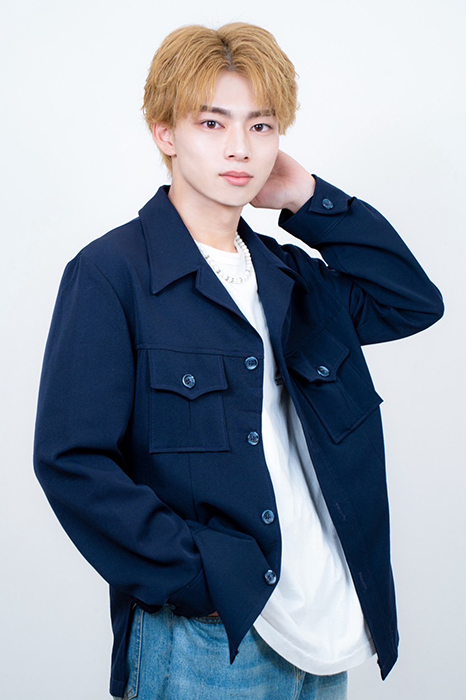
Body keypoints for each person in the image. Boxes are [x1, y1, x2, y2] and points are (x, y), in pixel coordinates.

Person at [33, 22, 444, 700]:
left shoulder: (291, 278)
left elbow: (410, 302)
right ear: (165, 133)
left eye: (260, 125)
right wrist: (200, 578)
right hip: (209, 639)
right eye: (212, 122)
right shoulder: (112, 275)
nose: (239, 147)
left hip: (325, 634)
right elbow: (72, 462)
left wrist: (307, 198)